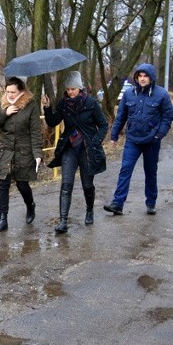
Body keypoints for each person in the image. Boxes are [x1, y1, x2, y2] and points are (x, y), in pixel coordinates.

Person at [42, 71, 108, 233]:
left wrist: (94, 141)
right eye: (68, 89)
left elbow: (104, 125)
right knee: (66, 184)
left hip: (87, 150)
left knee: (87, 185)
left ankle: (90, 210)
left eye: (73, 89)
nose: (70, 92)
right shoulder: (64, 104)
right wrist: (47, 107)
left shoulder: (91, 103)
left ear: (80, 88)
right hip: (69, 148)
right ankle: (63, 221)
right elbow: (52, 122)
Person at [104, 63, 173, 216]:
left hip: (151, 141)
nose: (142, 79)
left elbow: (167, 117)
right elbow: (121, 116)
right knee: (125, 169)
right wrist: (114, 135)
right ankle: (117, 203)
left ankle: (151, 202)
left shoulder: (161, 94)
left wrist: (158, 135)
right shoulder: (129, 94)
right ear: (136, 78)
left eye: (145, 76)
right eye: (139, 76)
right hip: (132, 140)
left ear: (151, 78)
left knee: (150, 172)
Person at [0, 76, 44, 232]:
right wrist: (5, 113)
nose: (9, 95)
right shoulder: (4, 103)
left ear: (21, 91)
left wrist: (37, 153)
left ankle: (30, 205)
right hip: (5, 151)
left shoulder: (30, 105)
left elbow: (35, 131)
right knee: (3, 183)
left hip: (23, 151)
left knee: (22, 184)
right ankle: (2, 218)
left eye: (12, 92)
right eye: (7, 91)